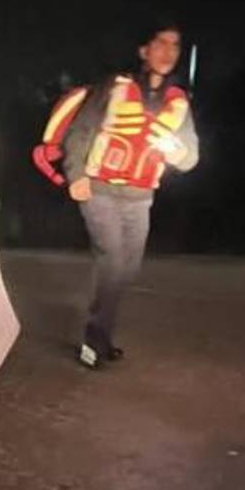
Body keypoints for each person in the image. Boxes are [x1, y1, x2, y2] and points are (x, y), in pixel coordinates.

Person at [60, 20, 200, 369]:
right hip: (99, 189)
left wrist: (174, 150)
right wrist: (75, 174)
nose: (168, 51)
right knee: (112, 260)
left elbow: (191, 158)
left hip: (140, 196)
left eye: (175, 46)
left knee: (128, 268)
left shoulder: (178, 101)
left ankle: (103, 333)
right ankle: (94, 342)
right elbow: (80, 130)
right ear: (143, 50)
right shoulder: (114, 87)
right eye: (160, 43)